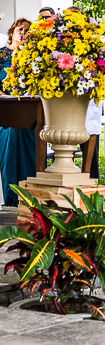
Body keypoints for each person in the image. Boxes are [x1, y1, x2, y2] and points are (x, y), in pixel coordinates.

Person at [0, 18, 35, 206]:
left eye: (27, 30)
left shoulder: (32, 57)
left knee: (26, 131)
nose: (23, 33)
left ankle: (30, 198)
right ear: (11, 32)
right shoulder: (1, 56)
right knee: (12, 132)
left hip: (28, 108)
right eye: (20, 29)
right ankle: (11, 197)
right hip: (5, 110)